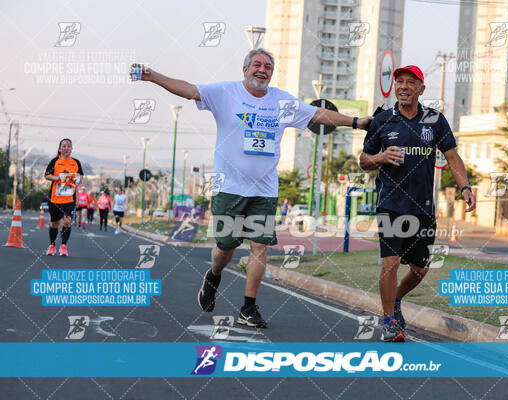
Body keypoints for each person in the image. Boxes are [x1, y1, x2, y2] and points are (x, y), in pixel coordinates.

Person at [131, 49, 371, 328]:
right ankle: (214, 276)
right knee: (225, 248)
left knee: (259, 247)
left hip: (265, 190)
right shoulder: (225, 93)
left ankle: (248, 307)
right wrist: (152, 76)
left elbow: (318, 114)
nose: (262, 69)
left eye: (268, 66)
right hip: (229, 189)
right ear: (244, 69)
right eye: (257, 64)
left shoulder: (281, 100)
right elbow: (188, 90)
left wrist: (356, 122)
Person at [359, 65, 476, 342]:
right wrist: (380, 157)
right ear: (395, 87)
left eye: (411, 82)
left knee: (420, 269)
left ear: (421, 89)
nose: (403, 87)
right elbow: (364, 160)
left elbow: (452, 156)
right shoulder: (383, 121)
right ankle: (389, 321)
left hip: (422, 206)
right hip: (390, 202)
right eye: (399, 82)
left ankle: (397, 299)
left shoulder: (435, 120)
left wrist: (465, 187)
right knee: (390, 262)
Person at [44, 138, 84, 256]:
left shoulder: (76, 162)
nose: (66, 148)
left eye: (69, 146)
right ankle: (52, 245)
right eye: (64, 146)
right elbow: (47, 175)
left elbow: (81, 177)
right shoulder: (55, 161)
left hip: (69, 198)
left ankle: (63, 245)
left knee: (67, 221)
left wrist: (77, 180)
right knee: (54, 224)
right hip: (55, 198)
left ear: (72, 149)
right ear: (60, 148)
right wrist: (58, 178)